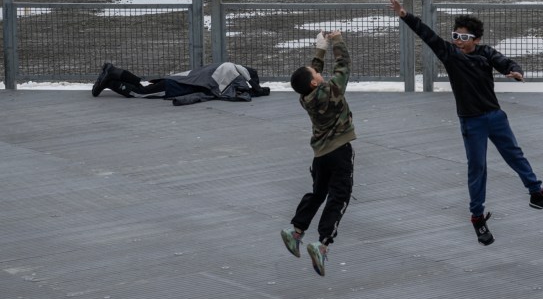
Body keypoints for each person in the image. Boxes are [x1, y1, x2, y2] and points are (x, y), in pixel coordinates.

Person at [388, 0, 543, 246]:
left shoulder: (485, 52)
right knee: (477, 168)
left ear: (476, 40)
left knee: (515, 156)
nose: (458, 42)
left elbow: (504, 61)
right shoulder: (450, 54)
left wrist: (515, 71)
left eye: (464, 37)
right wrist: (405, 15)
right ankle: (478, 218)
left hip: (495, 116)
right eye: (455, 36)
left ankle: (537, 194)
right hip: (472, 122)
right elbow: (427, 35)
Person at [281, 30, 355, 276]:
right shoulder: (332, 91)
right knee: (339, 196)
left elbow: (309, 76)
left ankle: (297, 230)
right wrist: (337, 41)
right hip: (340, 150)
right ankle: (322, 244)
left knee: (319, 192)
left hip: (320, 154)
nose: (319, 73)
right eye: (317, 74)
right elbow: (344, 67)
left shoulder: (305, 97)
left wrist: (319, 51)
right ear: (315, 82)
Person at [92, 61, 269, 105]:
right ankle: (111, 81)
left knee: (143, 83)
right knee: (140, 91)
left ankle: (113, 73)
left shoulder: (226, 67)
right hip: (175, 87)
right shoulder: (229, 78)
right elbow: (225, 94)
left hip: (179, 77)